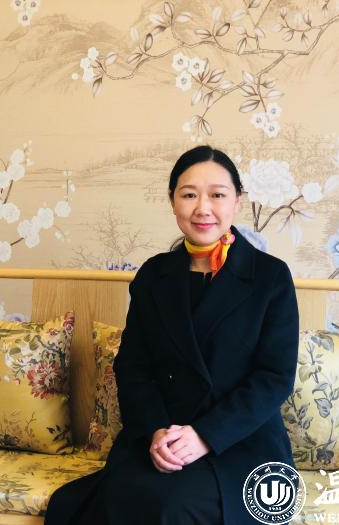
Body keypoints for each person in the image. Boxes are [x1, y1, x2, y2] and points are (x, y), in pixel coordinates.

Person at [45, 145, 300, 525]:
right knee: (114, 498)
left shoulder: (270, 277)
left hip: (240, 442)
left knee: (175, 508)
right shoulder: (154, 275)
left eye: (217, 195)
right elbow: (134, 367)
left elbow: (274, 377)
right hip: (162, 437)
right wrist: (155, 432)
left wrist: (204, 436)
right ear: (172, 200)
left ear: (237, 201)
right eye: (189, 195)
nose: (203, 208)